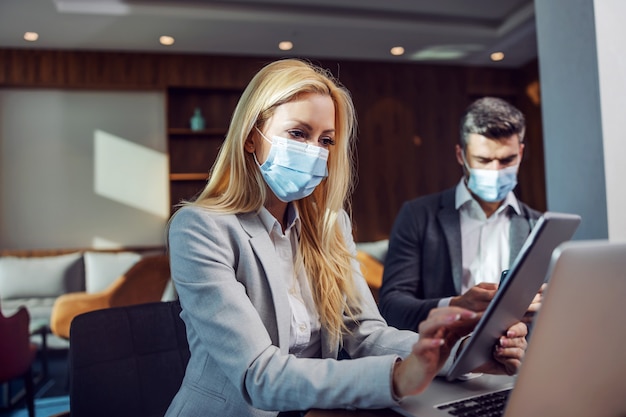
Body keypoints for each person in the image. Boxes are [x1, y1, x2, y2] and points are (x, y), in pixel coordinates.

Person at [165, 60, 527, 417]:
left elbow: (366, 334)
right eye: (298, 133)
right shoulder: (199, 228)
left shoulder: (331, 225)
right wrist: (399, 376)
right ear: (250, 138)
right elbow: (260, 376)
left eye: (326, 140)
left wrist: (465, 355)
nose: (315, 151)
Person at [379, 97, 543, 331]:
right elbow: (391, 307)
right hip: (443, 362)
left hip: (515, 362)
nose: (495, 171)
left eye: (507, 160)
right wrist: (454, 304)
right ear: (461, 155)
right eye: (483, 160)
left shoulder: (537, 226)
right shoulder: (417, 216)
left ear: (521, 152)